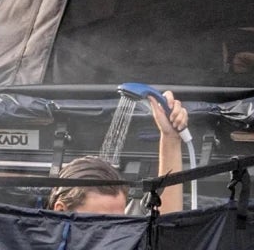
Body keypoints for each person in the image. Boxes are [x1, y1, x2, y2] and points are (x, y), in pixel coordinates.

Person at [48, 89, 192, 216]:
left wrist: (171, 137)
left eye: (120, 221)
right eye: (101, 221)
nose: (113, 230)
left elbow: (166, 225)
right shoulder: (37, 238)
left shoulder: (124, 235)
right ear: (61, 211)